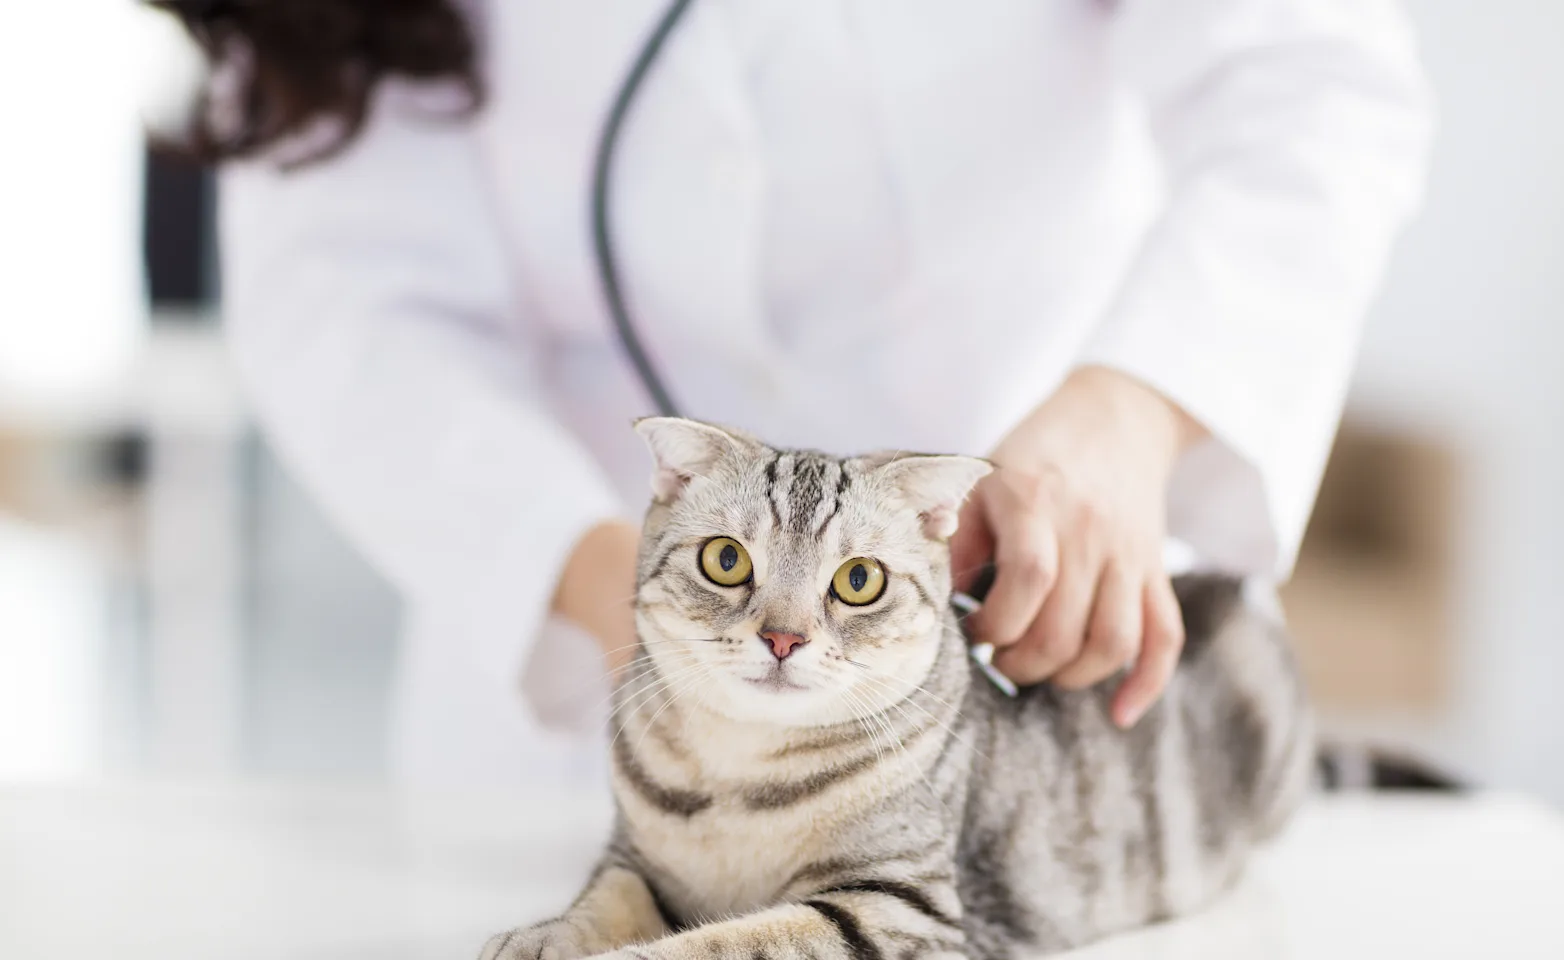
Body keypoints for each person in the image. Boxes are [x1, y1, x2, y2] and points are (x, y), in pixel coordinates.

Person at [163, 0, 1431, 785]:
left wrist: (1133, 406)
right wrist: (643, 612)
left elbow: (1314, 91)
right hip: (570, 702)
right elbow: (348, 307)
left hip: (1023, 633)